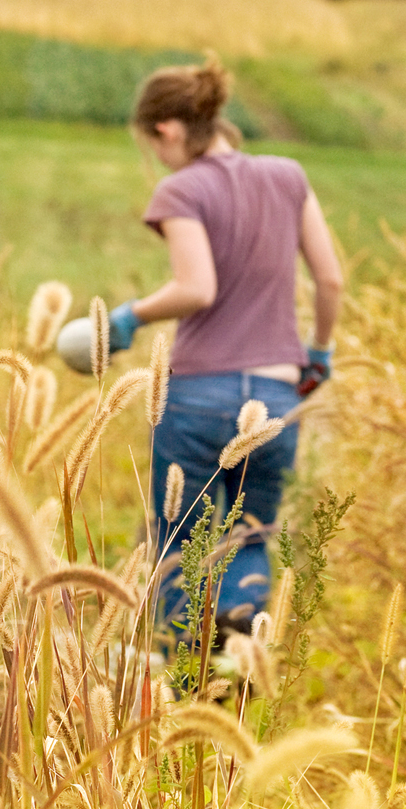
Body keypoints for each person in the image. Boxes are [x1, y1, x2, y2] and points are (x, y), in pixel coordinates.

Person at [107, 54, 345, 643]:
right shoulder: (288, 176)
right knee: (252, 538)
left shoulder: (182, 189)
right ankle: (241, 654)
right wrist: (318, 353)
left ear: (167, 129)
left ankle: (179, 677)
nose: (158, 157)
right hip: (276, 395)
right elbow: (331, 279)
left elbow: (196, 287)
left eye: (154, 143)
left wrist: (128, 317)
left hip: (198, 399)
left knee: (179, 543)